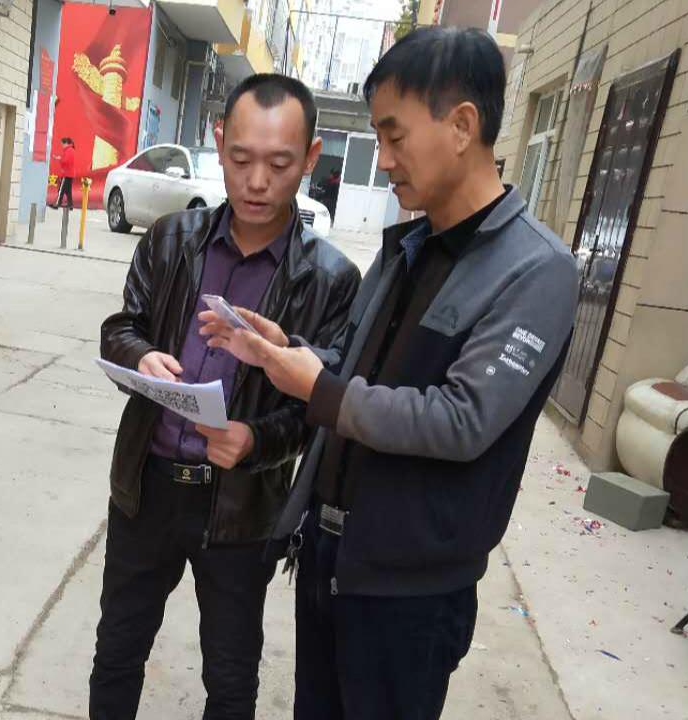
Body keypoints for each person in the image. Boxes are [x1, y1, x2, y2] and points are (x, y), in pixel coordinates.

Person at [201, 28, 579, 719]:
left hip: (409, 591)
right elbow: (353, 362)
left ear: (461, 125)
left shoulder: (536, 271)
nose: (383, 160)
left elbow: (461, 420)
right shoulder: (407, 247)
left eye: (394, 135)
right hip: (330, 555)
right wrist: (287, 350)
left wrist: (317, 388)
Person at [93, 74, 361, 720]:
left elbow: (318, 407)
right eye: (241, 160)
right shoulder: (171, 239)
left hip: (242, 509)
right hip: (147, 488)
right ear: (219, 144)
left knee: (232, 675)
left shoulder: (330, 280)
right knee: (118, 650)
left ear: (311, 158)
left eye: (279, 164)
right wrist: (139, 355)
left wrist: (255, 441)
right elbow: (122, 327)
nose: (257, 182)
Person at [52, 137, 76, 209]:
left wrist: (60, 159)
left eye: (62, 144)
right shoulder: (71, 150)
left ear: (66, 143)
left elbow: (65, 161)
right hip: (70, 173)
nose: (62, 146)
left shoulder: (68, 151)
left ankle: (58, 203)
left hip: (67, 173)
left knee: (61, 189)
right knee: (67, 190)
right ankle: (70, 204)